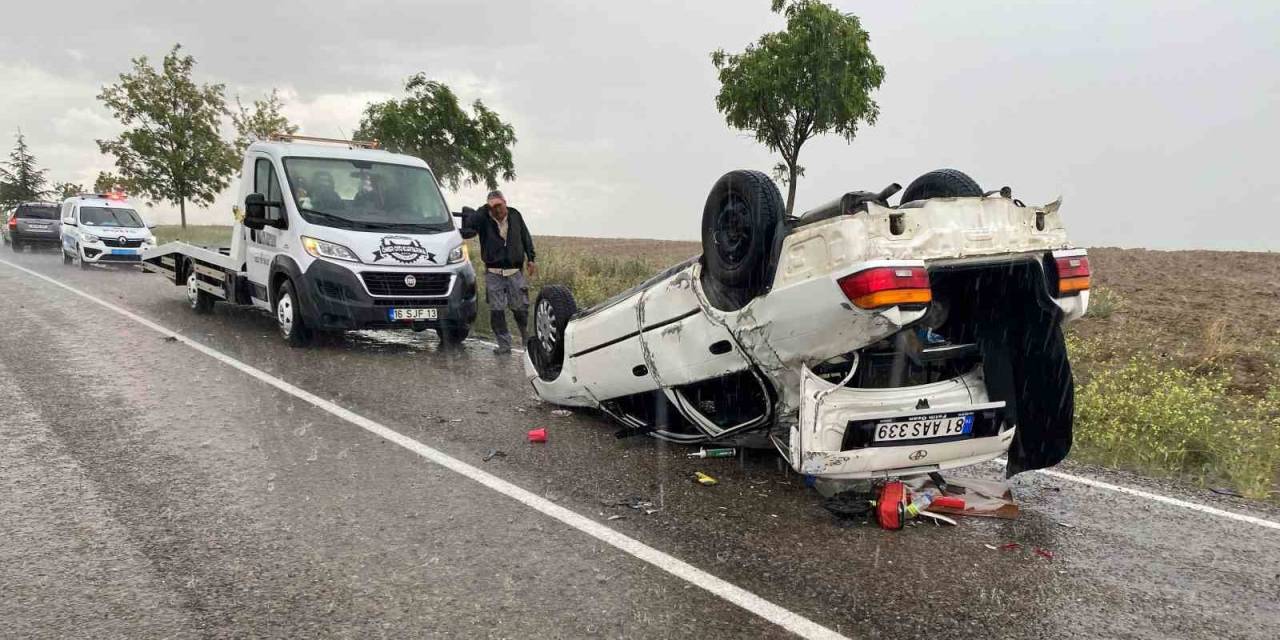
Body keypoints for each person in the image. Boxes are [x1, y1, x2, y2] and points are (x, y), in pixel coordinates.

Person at [460, 190, 537, 354]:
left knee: (520, 309)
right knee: (497, 311)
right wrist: (483, 209)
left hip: (515, 271)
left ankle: (526, 341)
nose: (497, 209)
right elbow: (469, 226)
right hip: (493, 273)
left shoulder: (515, 215)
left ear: (505, 203)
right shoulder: (483, 219)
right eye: (493, 206)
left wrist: (531, 259)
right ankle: (504, 344)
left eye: (499, 205)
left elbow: (525, 236)